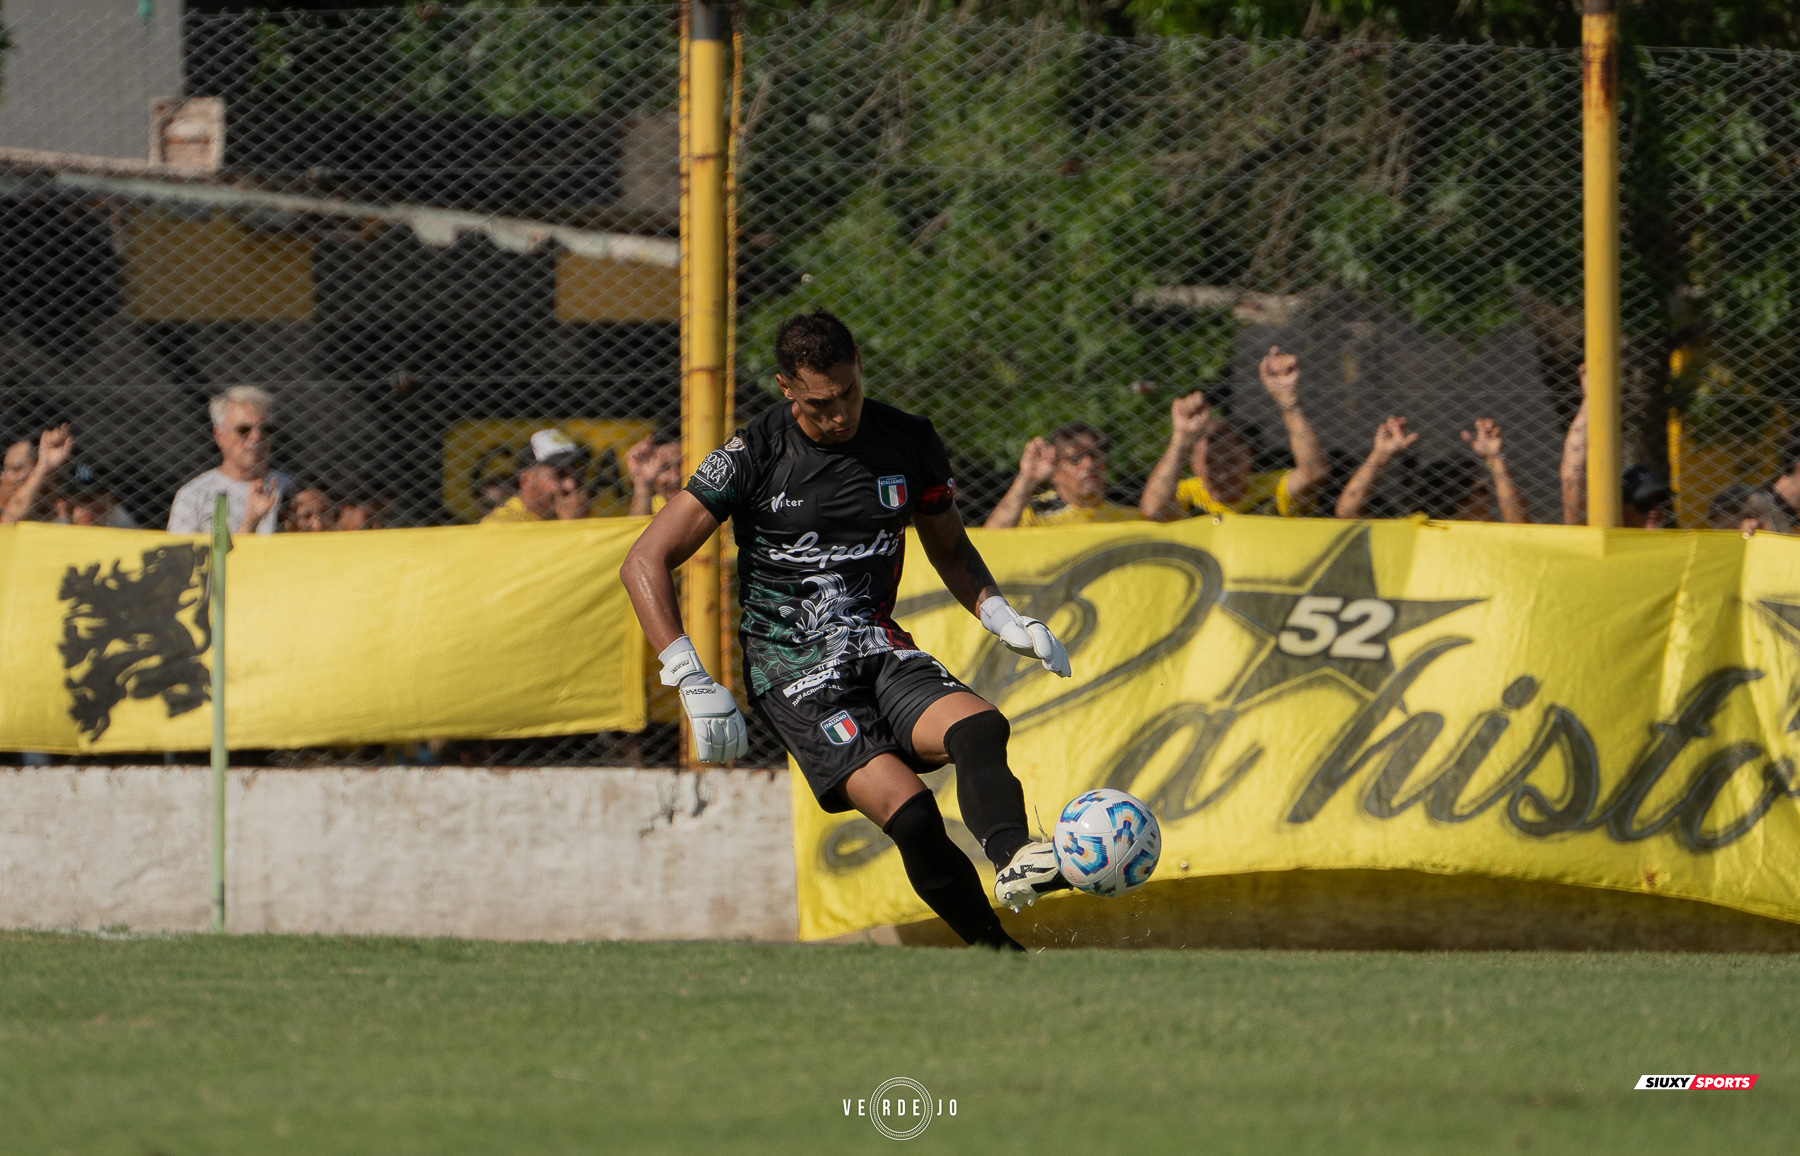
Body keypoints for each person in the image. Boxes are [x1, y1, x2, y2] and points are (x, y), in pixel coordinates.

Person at [620, 310, 1075, 952]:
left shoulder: (908, 439)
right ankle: (1000, 956)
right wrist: (689, 675)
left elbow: (949, 546)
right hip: (793, 671)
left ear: (860, 365)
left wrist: (1003, 616)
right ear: (786, 387)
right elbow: (644, 560)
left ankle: (1015, 857)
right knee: (913, 816)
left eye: (848, 394)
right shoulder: (752, 454)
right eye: (819, 404)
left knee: (980, 728)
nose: (839, 415)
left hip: (875, 643)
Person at [1140, 346, 1328, 521]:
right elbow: (1152, 511)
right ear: (1194, 466)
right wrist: (1181, 438)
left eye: (1231, 461)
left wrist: (1288, 402)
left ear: (1249, 457)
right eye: (1210, 463)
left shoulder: (1272, 486)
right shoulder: (1187, 495)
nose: (1222, 475)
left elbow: (1314, 473)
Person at [1335, 415, 1530, 523]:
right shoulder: (1417, 529)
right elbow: (1346, 512)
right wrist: (1380, 455)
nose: (1491, 497)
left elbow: (1520, 527)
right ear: (1456, 498)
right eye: (1483, 490)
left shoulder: (1491, 534)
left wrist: (1495, 459)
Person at [1560, 366, 1671, 529]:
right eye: (1644, 504)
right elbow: (1573, 476)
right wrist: (1592, 399)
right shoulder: (1600, 537)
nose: (1655, 512)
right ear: (1617, 509)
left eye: (1661, 503)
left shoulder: (1675, 542)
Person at [168, 385, 286, 536]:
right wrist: (249, 522)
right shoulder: (193, 496)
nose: (257, 437)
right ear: (219, 435)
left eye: (266, 429)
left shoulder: (292, 490)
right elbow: (181, 550)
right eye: (244, 430)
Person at [983, 423, 1138, 528]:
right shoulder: (1034, 513)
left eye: (1095, 455)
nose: (1089, 465)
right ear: (1055, 471)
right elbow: (991, 541)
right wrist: (1026, 479)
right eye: (1075, 459)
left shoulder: (1128, 518)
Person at [482, 430, 593, 523]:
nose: (571, 485)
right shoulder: (503, 525)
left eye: (577, 473)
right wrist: (572, 525)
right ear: (525, 480)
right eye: (559, 474)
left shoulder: (583, 516)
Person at [0, 424, 73, 525]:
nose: (3, 477)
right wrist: (42, 467)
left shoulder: (66, 511)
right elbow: (9, 520)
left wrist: (43, 466)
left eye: (16, 469)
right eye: (5, 468)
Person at [626, 426, 684, 516]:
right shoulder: (653, 506)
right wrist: (643, 485)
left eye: (681, 465)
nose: (675, 478)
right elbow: (640, 524)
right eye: (665, 468)